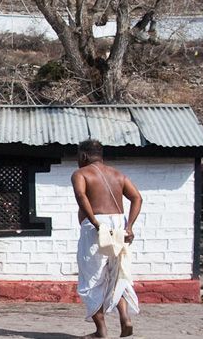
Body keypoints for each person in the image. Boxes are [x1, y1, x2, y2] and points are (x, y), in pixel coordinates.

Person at [72, 139, 142, 338]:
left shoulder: (81, 173)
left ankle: (100, 330)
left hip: (96, 228)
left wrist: (95, 222)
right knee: (117, 273)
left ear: (84, 156)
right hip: (119, 224)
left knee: (91, 279)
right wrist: (129, 226)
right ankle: (125, 319)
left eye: (78, 156)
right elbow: (137, 197)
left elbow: (80, 195)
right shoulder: (118, 175)